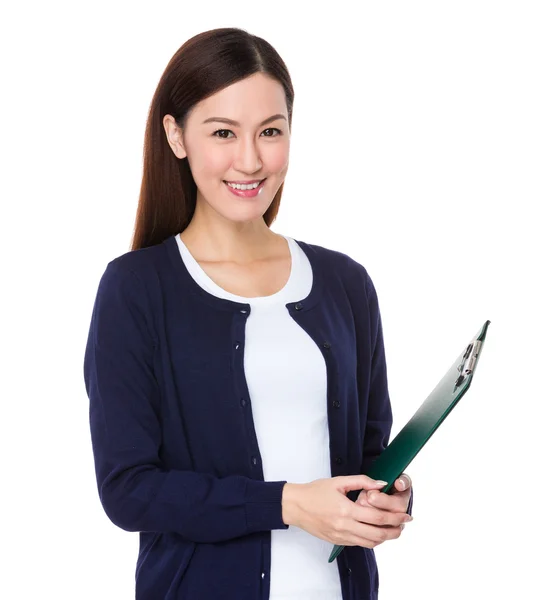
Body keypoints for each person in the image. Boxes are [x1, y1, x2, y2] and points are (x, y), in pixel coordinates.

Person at [83, 27, 414, 600]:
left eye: (270, 131)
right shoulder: (136, 289)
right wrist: (286, 503)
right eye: (222, 133)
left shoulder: (345, 283)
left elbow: (368, 455)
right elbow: (129, 491)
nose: (250, 160)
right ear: (176, 136)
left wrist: (392, 493)